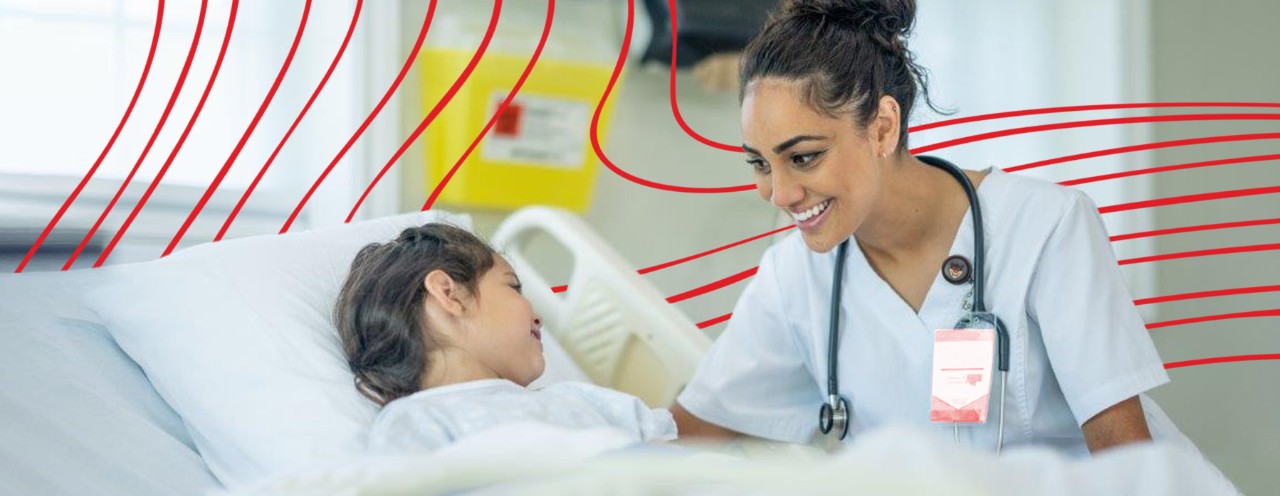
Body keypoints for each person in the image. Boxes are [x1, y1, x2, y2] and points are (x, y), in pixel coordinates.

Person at [672, 0, 1192, 457]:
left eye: (804, 158)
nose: (780, 194)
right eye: (760, 164)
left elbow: (1128, 467)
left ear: (882, 127)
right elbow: (690, 433)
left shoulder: (1044, 230)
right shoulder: (796, 276)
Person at [333, 223, 675, 453]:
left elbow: (687, 462)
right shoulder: (418, 422)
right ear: (449, 294)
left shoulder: (584, 400)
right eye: (512, 286)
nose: (537, 314)